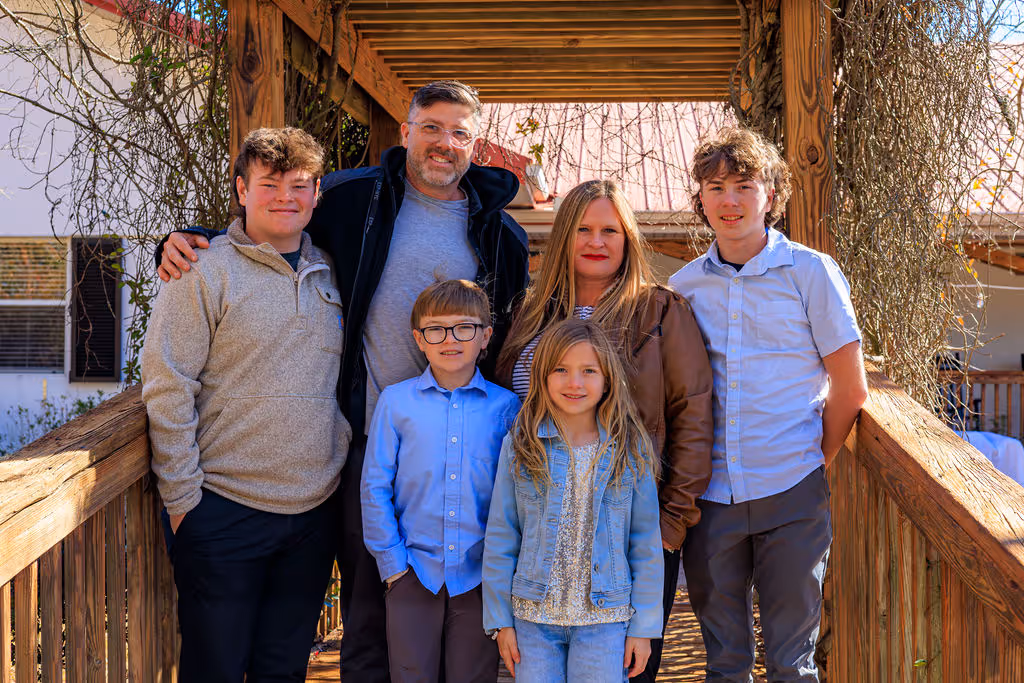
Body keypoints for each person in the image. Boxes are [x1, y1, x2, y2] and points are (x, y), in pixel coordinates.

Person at [153, 81, 530, 682]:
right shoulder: (357, 200)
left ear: (475, 144)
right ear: (405, 132)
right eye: (430, 127)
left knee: (463, 621)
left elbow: (512, 336)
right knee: (365, 624)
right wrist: (183, 241)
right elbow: (273, 209)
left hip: (459, 452)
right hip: (363, 448)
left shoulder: (500, 237)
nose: (443, 143)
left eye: (459, 132)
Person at [141, 127, 352, 681]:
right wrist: (185, 502)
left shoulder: (332, 271)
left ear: (317, 194)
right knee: (216, 670)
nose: (286, 196)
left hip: (311, 513)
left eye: (299, 185)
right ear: (241, 188)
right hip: (222, 509)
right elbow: (167, 382)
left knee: (282, 670)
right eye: (270, 183)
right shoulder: (201, 271)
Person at [668, 127, 868, 682]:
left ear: (771, 195)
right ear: (701, 199)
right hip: (710, 498)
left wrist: (811, 460)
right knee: (725, 662)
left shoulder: (812, 274)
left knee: (790, 662)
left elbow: (851, 389)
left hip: (792, 490)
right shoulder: (683, 288)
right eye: (715, 187)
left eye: (744, 185)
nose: (730, 200)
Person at [495, 179, 713, 681]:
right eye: (584, 229)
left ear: (628, 238)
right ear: (565, 236)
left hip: (622, 536)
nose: (596, 241)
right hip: (538, 535)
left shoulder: (660, 311)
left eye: (609, 230)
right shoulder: (532, 312)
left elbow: (693, 417)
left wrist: (670, 528)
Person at [483, 318, 664, 683]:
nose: (575, 383)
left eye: (588, 371)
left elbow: (645, 542)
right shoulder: (522, 445)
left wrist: (642, 626)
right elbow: (503, 534)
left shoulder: (629, 449)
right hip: (534, 619)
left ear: (607, 378)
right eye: (561, 370)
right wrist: (500, 621)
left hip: (606, 621)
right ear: (543, 376)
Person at [360, 278, 520, 683]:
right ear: (419, 338)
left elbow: (518, 494)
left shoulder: (506, 408)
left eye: (464, 327)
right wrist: (393, 565)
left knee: (473, 676)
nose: (450, 339)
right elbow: (375, 486)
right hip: (413, 571)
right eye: (436, 329)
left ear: (485, 337)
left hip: (480, 578)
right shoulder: (396, 402)